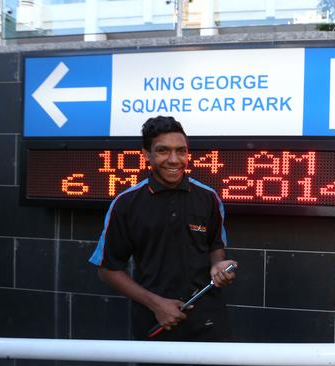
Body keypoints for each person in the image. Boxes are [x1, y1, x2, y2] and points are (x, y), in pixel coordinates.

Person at [89, 116, 236, 346]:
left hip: (210, 323)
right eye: (163, 151)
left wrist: (218, 264)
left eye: (181, 151)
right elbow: (107, 270)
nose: (174, 159)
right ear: (147, 154)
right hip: (156, 323)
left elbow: (215, 245)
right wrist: (156, 304)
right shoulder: (126, 204)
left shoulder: (209, 198)